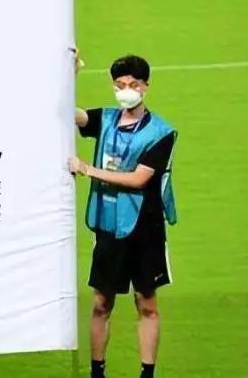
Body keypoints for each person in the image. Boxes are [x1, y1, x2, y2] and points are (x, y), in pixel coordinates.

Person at [68, 54, 178, 378]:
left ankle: (147, 373)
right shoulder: (105, 119)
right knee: (101, 303)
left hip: (145, 228)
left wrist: (87, 169)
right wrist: (70, 75)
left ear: (146, 86)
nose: (126, 90)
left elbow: (139, 179)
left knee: (147, 304)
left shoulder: (161, 133)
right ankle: (97, 372)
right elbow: (66, 113)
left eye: (132, 84)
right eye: (119, 85)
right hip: (108, 226)